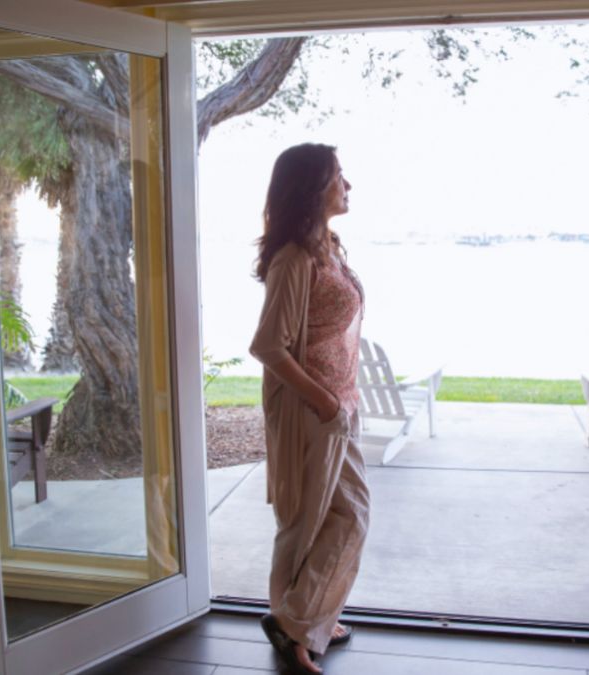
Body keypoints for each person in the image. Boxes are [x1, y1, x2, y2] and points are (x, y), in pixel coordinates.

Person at [249, 143, 369, 675]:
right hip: (312, 410)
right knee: (315, 521)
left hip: (337, 405)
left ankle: (303, 619)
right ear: (313, 187)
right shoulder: (294, 259)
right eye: (339, 176)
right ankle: (296, 624)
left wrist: (340, 398)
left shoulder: (329, 247)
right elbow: (269, 346)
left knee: (338, 517)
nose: (349, 185)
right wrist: (323, 400)